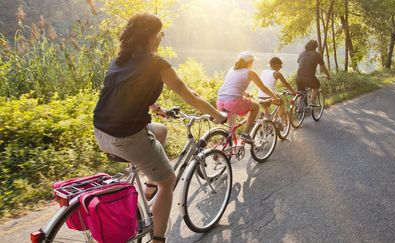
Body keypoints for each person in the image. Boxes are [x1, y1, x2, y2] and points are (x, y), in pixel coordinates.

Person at [92, 13, 226, 243]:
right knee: (169, 181)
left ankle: (150, 184)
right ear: (152, 36)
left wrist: (153, 105)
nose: (162, 37)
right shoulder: (157, 64)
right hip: (127, 137)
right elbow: (190, 95)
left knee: (160, 130)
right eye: (160, 33)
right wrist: (217, 115)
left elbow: (126, 91)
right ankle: (158, 238)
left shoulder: (120, 61)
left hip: (101, 132)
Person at [217, 51, 282, 144]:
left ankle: (227, 145)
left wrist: (244, 93)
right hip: (233, 102)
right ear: (250, 62)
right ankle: (245, 134)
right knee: (256, 107)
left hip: (220, 101)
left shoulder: (232, 69)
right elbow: (263, 88)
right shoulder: (250, 72)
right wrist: (275, 97)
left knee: (231, 127)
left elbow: (231, 86)